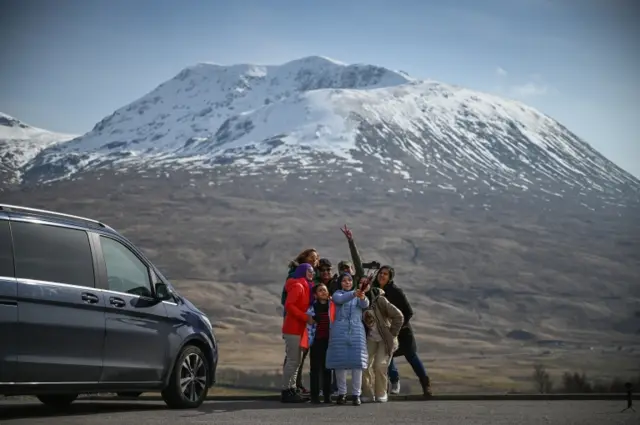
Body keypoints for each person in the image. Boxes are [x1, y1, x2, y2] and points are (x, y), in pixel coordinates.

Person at [373, 266, 433, 398]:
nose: (382, 276)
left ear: (390, 278)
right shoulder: (374, 291)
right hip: (386, 331)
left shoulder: (395, 292)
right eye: (380, 273)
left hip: (403, 331)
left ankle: (425, 384)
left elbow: (408, 312)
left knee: (411, 356)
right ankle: (392, 383)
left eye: (385, 274)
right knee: (387, 356)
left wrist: (398, 326)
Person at [325, 273, 369, 406]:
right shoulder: (337, 294)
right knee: (340, 364)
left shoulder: (357, 296)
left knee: (357, 364)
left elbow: (365, 304)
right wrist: (354, 294)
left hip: (356, 331)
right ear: (340, 283)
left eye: (349, 280)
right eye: (344, 281)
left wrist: (362, 296)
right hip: (339, 331)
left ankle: (356, 394)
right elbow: (340, 300)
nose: (347, 282)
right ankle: (341, 394)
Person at [281, 248, 320, 395]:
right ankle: (286, 389)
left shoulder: (307, 286)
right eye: (309, 271)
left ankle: (292, 388)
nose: (312, 273)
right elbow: (289, 305)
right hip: (293, 328)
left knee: (296, 361)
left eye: (312, 271)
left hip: (301, 328)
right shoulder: (298, 285)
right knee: (292, 360)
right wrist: (306, 317)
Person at [361, 284, 404, 403]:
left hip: (385, 339)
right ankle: (367, 393)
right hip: (371, 338)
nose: (362, 286)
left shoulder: (380, 300)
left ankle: (381, 392)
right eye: (360, 283)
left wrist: (392, 334)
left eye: (365, 283)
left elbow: (398, 316)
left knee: (380, 365)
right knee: (363, 363)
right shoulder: (358, 302)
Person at [301, 283, 335, 404]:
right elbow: (309, 324)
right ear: (315, 295)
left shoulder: (332, 306)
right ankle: (314, 396)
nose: (323, 292)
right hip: (316, 341)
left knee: (328, 369)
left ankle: (327, 396)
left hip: (329, 341)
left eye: (325, 290)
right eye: (320, 290)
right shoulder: (313, 308)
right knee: (315, 369)